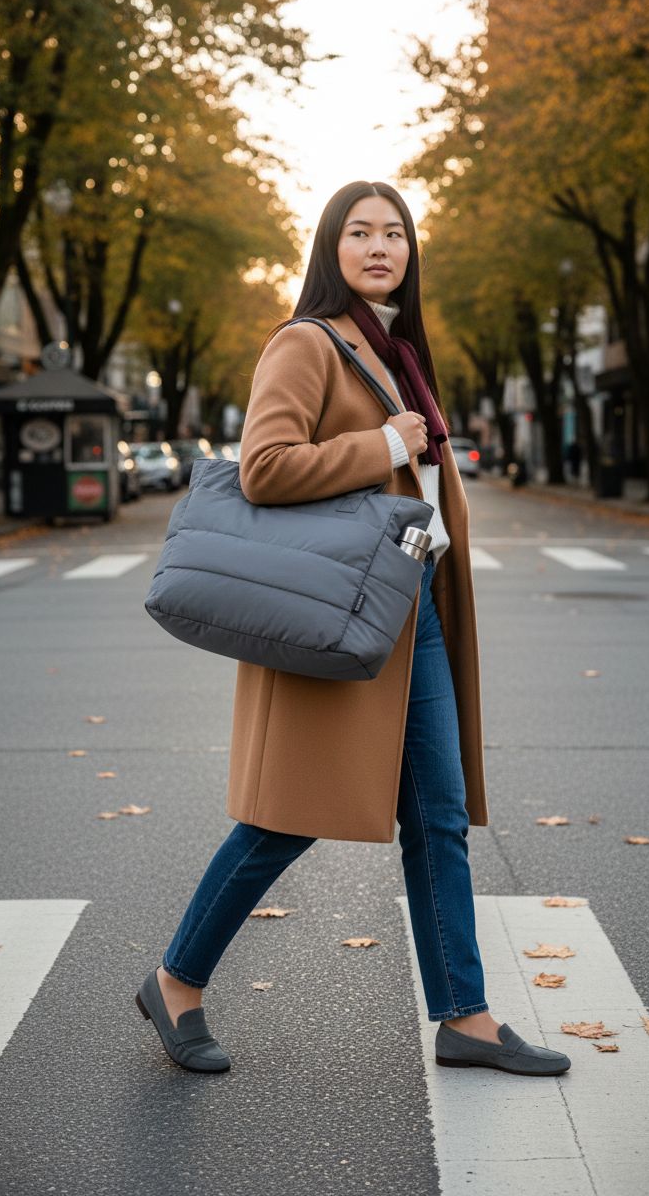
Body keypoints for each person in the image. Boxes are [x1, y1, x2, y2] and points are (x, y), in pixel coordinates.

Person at [136, 180, 571, 1078]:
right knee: (285, 821)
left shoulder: (402, 351)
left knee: (438, 818)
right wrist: (384, 445)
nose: (381, 246)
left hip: (416, 617)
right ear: (330, 248)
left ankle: (467, 1017)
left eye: (396, 233)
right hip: (339, 611)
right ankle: (175, 981)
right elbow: (263, 469)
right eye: (360, 232)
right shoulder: (306, 345)